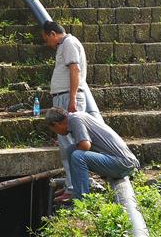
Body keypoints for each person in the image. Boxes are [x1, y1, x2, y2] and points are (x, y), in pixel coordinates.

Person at [41, 20, 104, 202]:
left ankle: (74, 188)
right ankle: (71, 184)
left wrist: (72, 99)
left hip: (68, 96)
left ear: (53, 34)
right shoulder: (65, 45)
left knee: (70, 144)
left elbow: (75, 70)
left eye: (47, 39)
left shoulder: (68, 43)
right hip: (64, 96)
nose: (48, 43)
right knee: (66, 144)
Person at [45, 107, 139, 199]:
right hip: (120, 162)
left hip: (123, 164)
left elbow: (85, 146)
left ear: (56, 124)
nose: (57, 133)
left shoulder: (75, 120)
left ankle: (81, 200)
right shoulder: (77, 116)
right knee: (71, 150)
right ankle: (76, 190)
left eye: (54, 130)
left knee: (77, 156)